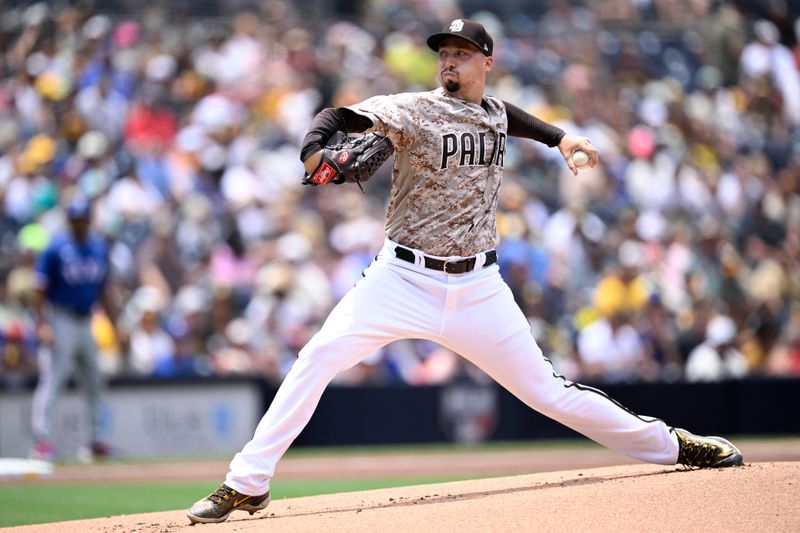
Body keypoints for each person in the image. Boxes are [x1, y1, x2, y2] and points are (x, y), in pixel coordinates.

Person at [187, 19, 743, 524]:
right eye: (444, 53)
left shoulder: (494, 112)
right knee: (317, 358)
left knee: (550, 393)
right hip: (401, 278)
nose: (449, 61)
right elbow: (338, 116)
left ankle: (674, 445)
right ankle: (247, 483)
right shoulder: (411, 109)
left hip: (479, 286)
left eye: (461, 52)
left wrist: (560, 138)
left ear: (486, 63)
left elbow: (510, 119)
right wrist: (314, 149)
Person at [29, 196, 118, 462]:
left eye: (83, 219)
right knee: (53, 380)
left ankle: (95, 440)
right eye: (75, 219)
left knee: (94, 382)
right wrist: (42, 323)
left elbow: (104, 289)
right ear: (69, 220)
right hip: (61, 318)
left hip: (87, 320)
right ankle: (42, 441)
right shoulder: (55, 248)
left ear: (89, 220)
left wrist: (114, 324)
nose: (79, 223)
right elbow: (39, 289)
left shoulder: (98, 248)